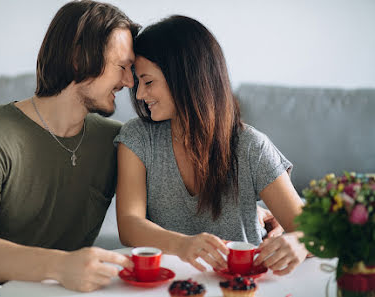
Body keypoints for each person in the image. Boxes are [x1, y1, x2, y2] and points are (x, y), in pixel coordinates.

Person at [0, 1, 140, 295]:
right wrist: (63, 265)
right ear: (79, 58)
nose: (130, 81)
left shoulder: (117, 141)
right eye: (122, 66)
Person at [115, 15, 308, 275]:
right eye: (139, 84)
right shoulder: (137, 138)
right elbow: (129, 224)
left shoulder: (250, 146)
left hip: (241, 285)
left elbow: (309, 229)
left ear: (186, 77)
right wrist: (184, 245)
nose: (139, 95)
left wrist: (300, 243)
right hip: (164, 285)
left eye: (148, 82)